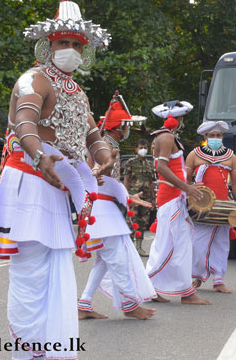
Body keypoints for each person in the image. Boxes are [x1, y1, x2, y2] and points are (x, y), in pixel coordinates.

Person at [0, 0, 117, 360]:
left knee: (56, 272)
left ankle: (51, 353)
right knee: (31, 273)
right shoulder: (34, 79)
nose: (70, 50)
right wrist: (39, 154)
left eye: (77, 45)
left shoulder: (79, 93)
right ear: (49, 46)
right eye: (63, 43)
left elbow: (91, 136)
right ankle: (27, 353)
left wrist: (103, 153)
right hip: (31, 179)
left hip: (59, 185)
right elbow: (24, 122)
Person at [77, 96, 157, 320]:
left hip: (103, 206)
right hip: (102, 209)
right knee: (118, 257)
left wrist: (127, 195)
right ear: (120, 127)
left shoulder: (105, 143)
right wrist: (125, 195)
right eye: (126, 125)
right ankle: (130, 305)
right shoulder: (106, 146)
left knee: (105, 259)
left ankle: (84, 303)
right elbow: (100, 176)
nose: (128, 129)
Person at [145, 100, 211, 305]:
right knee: (175, 244)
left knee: (172, 243)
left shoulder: (166, 136)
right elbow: (162, 168)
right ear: (177, 118)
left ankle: (152, 288)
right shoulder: (165, 137)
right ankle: (183, 292)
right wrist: (186, 188)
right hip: (171, 198)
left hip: (174, 197)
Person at [187, 120, 236, 294]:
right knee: (198, 243)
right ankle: (197, 277)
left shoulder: (231, 157)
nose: (215, 138)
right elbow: (186, 182)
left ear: (222, 137)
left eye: (218, 135)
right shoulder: (194, 155)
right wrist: (185, 199)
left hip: (223, 206)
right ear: (205, 137)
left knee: (222, 243)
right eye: (212, 136)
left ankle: (218, 280)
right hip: (201, 205)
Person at [124, 139, 156, 257]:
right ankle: (129, 247)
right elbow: (126, 179)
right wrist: (126, 196)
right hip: (133, 196)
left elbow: (151, 182)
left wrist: (153, 198)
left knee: (143, 223)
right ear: (136, 149)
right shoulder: (131, 162)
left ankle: (139, 247)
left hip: (146, 198)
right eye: (141, 147)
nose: (143, 149)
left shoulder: (149, 164)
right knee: (132, 221)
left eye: (145, 147)